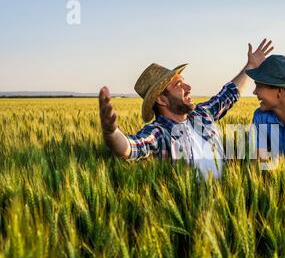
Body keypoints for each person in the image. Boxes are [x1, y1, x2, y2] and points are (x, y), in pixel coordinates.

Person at [98, 39, 274, 178]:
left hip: (225, 199)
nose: (188, 88)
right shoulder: (159, 132)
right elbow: (131, 147)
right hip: (193, 209)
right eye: (179, 85)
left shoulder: (202, 114)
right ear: (161, 99)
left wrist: (250, 66)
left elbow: (229, 94)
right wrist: (111, 133)